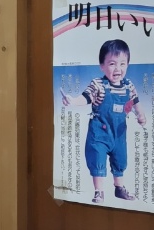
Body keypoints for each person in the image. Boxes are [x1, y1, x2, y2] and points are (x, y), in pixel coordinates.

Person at [60, 38, 147, 204]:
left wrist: (141, 115)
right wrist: (73, 100)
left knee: (120, 159)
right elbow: (86, 98)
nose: (118, 69)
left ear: (128, 65)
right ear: (102, 65)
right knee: (97, 158)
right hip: (100, 133)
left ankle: (119, 188)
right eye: (112, 64)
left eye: (122, 64)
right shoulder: (98, 84)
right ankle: (99, 192)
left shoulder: (128, 86)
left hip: (119, 134)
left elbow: (135, 102)